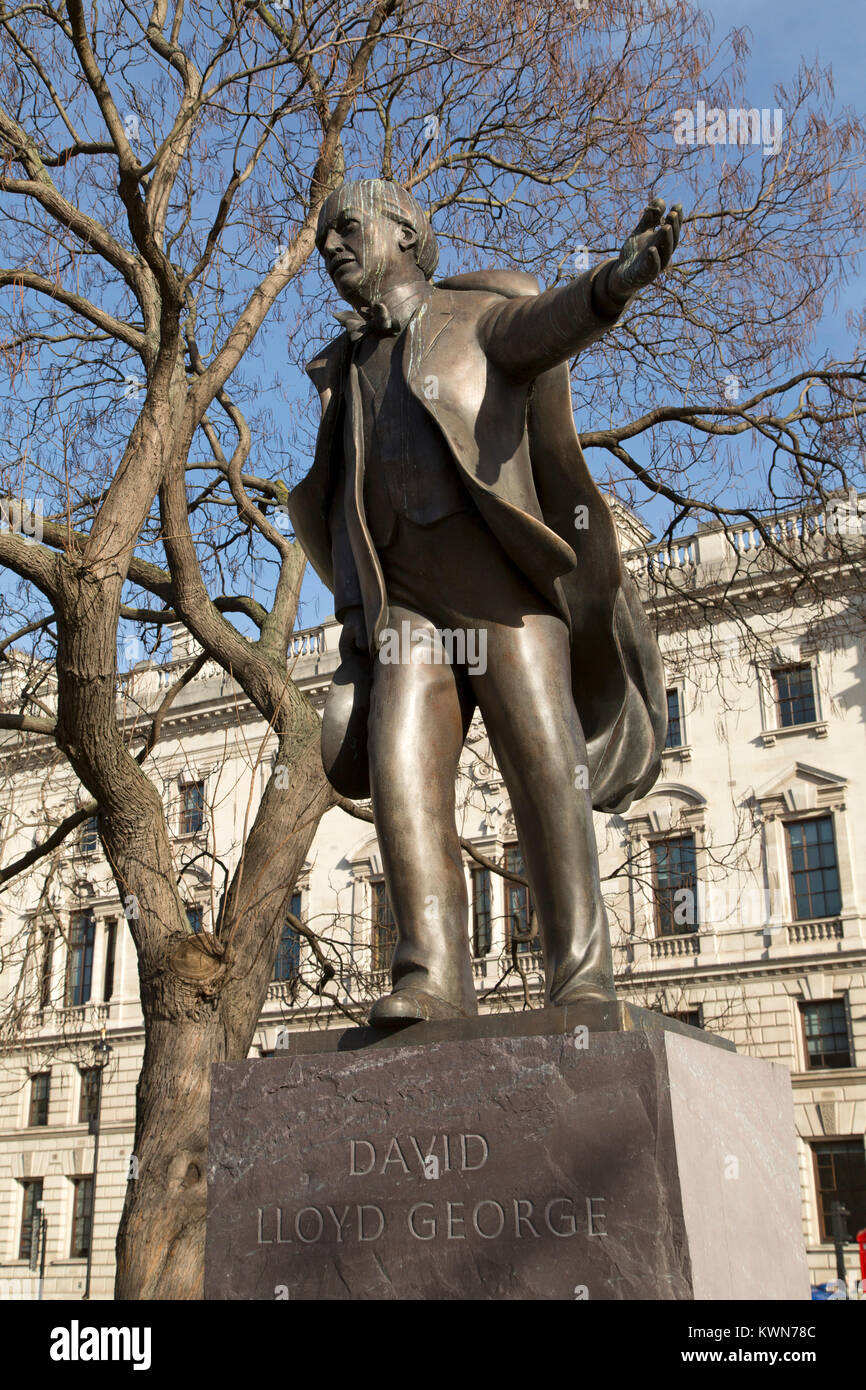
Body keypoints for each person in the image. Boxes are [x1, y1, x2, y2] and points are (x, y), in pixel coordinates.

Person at [289, 178, 681, 1025]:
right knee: (400, 776)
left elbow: (548, 326)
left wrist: (612, 284)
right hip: (407, 613)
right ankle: (429, 977)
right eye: (322, 239)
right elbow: (345, 505)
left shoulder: (477, 318)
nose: (330, 248)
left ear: (405, 231)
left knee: (547, 768)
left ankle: (580, 976)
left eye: (346, 228)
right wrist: (358, 624)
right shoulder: (345, 369)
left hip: (501, 593)